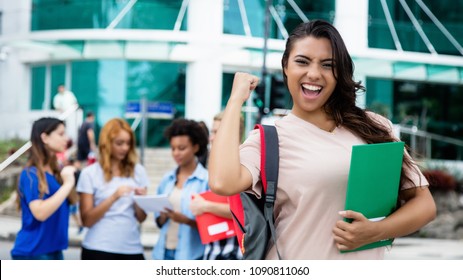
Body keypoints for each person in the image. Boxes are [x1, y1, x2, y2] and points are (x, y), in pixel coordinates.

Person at [208, 20, 436, 260]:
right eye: (302, 61)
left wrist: (376, 231)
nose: (314, 74)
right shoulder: (268, 139)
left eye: (328, 65)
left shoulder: (374, 127)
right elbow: (223, 182)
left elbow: (424, 205)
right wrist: (235, 101)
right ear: (285, 66)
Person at [77, 118, 149, 260]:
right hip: (98, 248)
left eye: (128, 143)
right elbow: (87, 220)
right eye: (119, 143)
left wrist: (140, 200)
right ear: (107, 143)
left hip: (132, 249)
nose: (125, 148)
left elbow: (142, 218)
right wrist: (114, 196)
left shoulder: (138, 171)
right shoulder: (90, 173)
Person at [10, 117, 76, 260]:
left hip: (55, 250)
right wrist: (68, 184)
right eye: (61, 134)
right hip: (34, 252)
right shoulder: (30, 174)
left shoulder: (56, 171)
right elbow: (40, 212)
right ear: (45, 137)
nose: (66, 139)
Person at [152, 118, 209, 260]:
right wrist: (163, 216)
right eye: (173, 148)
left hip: (191, 256)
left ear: (195, 147)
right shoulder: (167, 179)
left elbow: (211, 226)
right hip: (162, 253)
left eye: (182, 148)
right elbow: (158, 222)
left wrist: (186, 220)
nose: (176, 153)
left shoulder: (206, 180)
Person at [189, 111, 243, 260]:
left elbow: (243, 211)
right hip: (214, 250)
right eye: (212, 132)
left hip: (232, 253)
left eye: (216, 132)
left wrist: (205, 206)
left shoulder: (243, 165)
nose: (211, 137)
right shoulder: (216, 163)